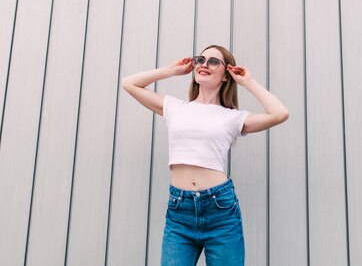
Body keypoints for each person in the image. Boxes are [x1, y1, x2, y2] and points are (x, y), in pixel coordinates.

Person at [121, 45, 289, 266]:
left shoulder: (232, 118)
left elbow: (280, 113)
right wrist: (171, 71)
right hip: (180, 213)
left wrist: (247, 82)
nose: (204, 64)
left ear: (226, 74)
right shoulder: (175, 108)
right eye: (200, 59)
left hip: (220, 211)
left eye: (213, 61)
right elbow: (128, 83)